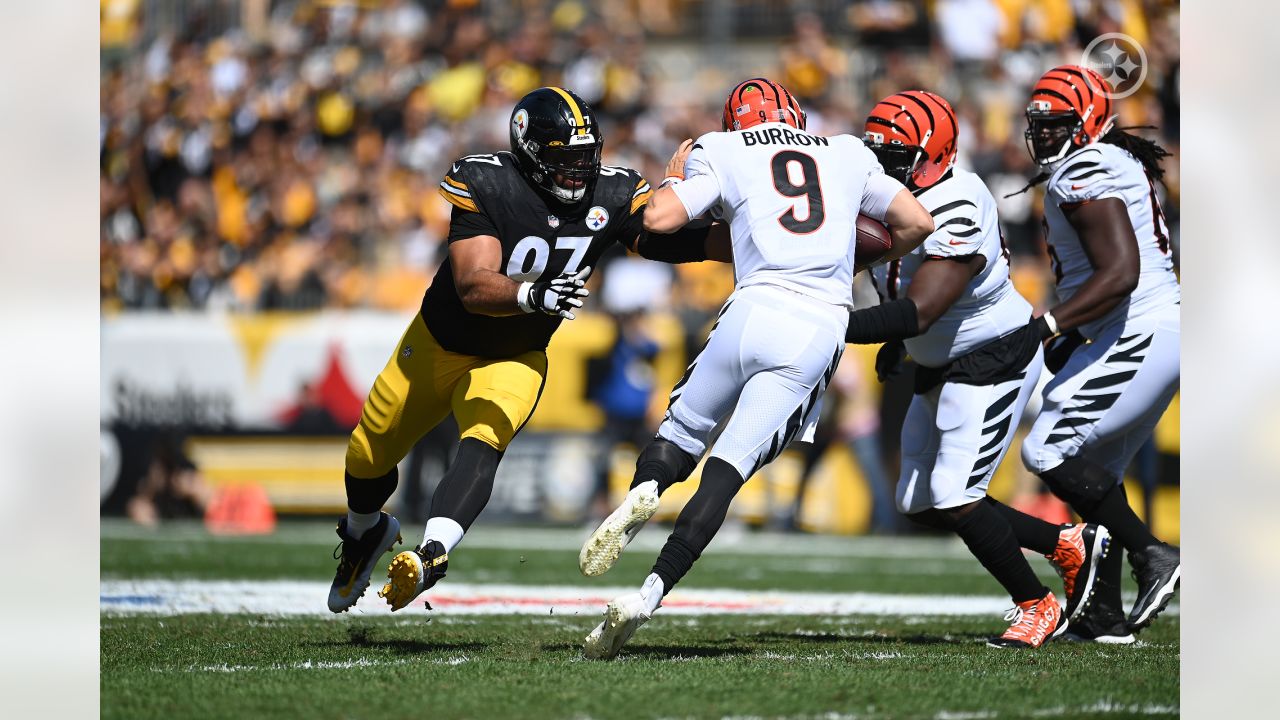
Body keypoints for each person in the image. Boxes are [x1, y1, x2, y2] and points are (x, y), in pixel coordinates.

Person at [579, 78, 935, 659]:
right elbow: (917, 223)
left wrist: (675, 175)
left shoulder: (724, 148)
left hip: (752, 306)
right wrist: (856, 253)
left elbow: (661, 220)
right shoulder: (845, 151)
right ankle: (647, 595)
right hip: (817, 322)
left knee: (681, 434)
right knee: (725, 474)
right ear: (795, 114)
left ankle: (645, 490)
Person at [327, 87, 702, 613]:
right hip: (441, 342)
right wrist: (533, 292)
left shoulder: (611, 191)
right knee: (369, 454)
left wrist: (736, 235)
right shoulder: (488, 182)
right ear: (528, 151)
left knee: (484, 440)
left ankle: (432, 552)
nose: (578, 171)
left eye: (585, 157)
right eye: (564, 159)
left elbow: (668, 241)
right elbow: (471, 284)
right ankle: (363, 533)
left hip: (517, 353)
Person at [847, 90, 1111, 648]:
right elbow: (902, 290)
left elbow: (922, 307)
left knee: (955, 493)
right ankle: (1067, 542)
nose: (883, 168)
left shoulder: (959, 202)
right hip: (938, 356)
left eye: (896, 156)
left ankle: (1037, 605)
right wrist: (896, 339)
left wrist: (831, 323)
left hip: (992, 355)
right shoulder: (888, 190)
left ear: (934, 153)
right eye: (878, 154)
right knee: (917, 502)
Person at [1003, 65, 1181, 642]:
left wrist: (1050, 325)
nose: (1047, 136)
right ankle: (1103, 618)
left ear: (1089, 123)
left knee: (1049, 448)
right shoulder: (1102, 161)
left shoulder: (1087, 168)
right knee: (1093, 472)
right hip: (1134, 328)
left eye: (1058, 125)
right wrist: (1074, 334)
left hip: (1142, 328)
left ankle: (1152, 553)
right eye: (1040, 126)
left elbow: (1122, 272)